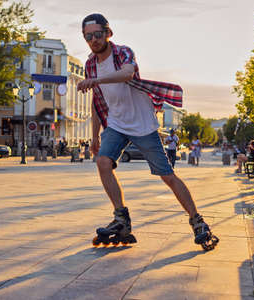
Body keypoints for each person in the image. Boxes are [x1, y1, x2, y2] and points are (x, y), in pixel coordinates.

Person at [77, 13, 218, 250]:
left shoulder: (123, 52)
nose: (93, 40)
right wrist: (93, 136)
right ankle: (121, 219)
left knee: (168, 176)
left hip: (143, 124)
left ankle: (197, 222)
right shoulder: (90, 64)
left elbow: (126, 74)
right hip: (115, 124)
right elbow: (96, 101)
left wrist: (96, 81)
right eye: (88, 36)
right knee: (102, 162)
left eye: (97, 35)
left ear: (108, 33)